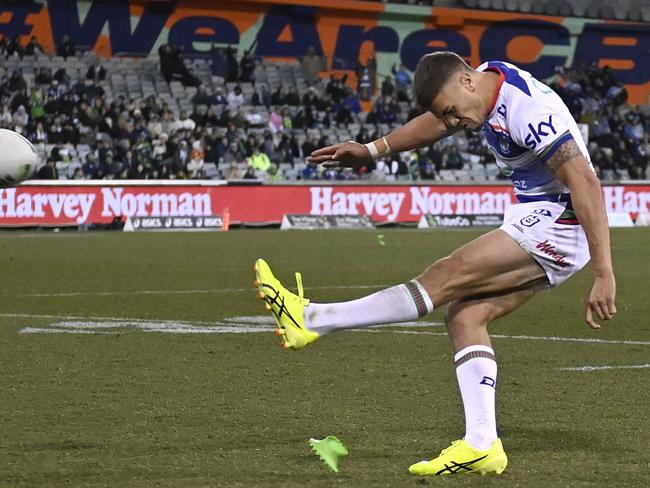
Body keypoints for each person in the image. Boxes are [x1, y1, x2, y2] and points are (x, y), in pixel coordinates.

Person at [253, 52, 616, 476]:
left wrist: (605, 272)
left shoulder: (529, 113)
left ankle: (313, 319)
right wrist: (373, 149)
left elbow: (586, 183)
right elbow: (435, 122)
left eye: (450, 111)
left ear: (466, 81)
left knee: (444, 276)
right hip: (538, 213)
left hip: (561, 220)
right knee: (465, 317)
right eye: (445, 115)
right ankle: (482, 444)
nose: (453, 121)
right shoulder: (480, 85)